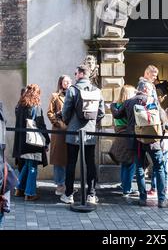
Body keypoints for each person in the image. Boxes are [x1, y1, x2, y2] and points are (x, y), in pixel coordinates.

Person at [111, 84, 168, 208]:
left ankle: (142, 198)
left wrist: (112, 106)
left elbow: (117, 115)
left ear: (138, 89)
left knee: (139, 168)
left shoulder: (128, 102)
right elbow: (163, 120)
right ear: (147, 90)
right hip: (152, 140)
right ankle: (162, 199)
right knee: (159, 167)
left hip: (136, 141)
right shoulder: (153, 100)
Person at [61, 64, 105, 205]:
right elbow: (102, 112)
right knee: (90, 163)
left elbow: (66, 111)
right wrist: (91, 123)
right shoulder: (97, 91)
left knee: (71, 164)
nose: (74, 76)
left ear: (80, 74)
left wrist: (69, 122)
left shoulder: (72, 90)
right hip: (90, 133)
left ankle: (68, 194)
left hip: (73, 133)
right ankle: (91, 195)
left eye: (75, 73)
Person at [13, 84, 50, 201]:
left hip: (22, 142)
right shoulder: (36, 107)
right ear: (36, 94)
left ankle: (19, 188)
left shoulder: (19, 106)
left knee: (27, 165)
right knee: (32, 166)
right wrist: (47, 140)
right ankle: (29, 193)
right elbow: (41, 125)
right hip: (33, 142)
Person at [110, 85, 137, 196]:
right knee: (131, 163)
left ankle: (123, 184)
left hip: (119, 136)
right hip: (128, 136)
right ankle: (127, 188)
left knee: (124, 164)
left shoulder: (115, 105)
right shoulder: (129, 106)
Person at [47, 75, 72, 196]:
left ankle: (68, 184)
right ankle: (59, 185)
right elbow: (50, 113)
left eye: (69, 81)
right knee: (59, 160)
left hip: (72, 131)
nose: (67, 83)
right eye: (65, 81)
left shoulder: (74, 96)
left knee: (69, 159)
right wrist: (60, 124)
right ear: (60, 83)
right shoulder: (55, 96)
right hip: (59, 132)